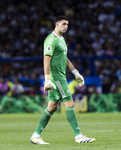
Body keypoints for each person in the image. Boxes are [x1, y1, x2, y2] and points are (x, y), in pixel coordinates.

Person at [30, 16, 96, 144]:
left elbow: (65, 58)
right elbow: (46, 59)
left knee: (52, 107)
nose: (66, 26)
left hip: (60, 76)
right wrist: (47, 79)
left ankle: (36, 136)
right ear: (56, 24)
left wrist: (75, 72)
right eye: (64, 24)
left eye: (67, 24)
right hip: (57, 78)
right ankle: (78, 136)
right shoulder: (51, 39)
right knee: (70, 104)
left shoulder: (62, 39)